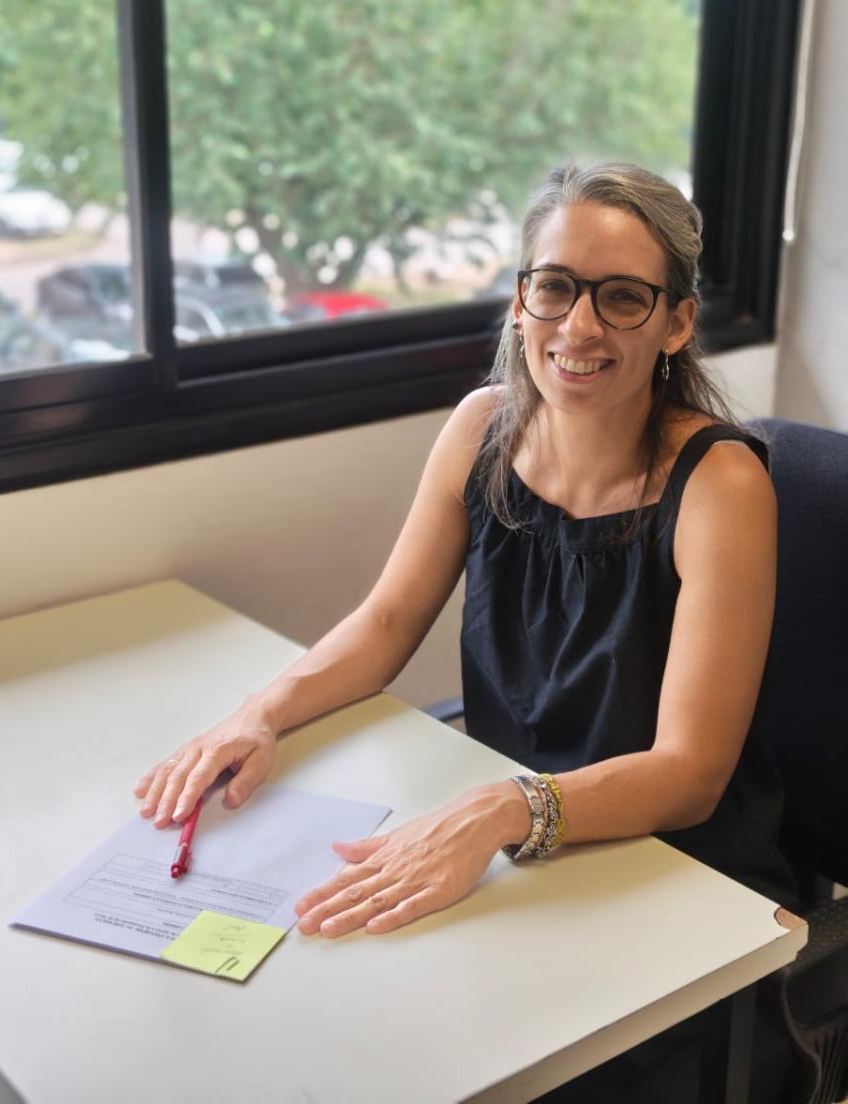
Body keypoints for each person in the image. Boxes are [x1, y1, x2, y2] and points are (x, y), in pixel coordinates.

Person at [135, 162, 798, 1101]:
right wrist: (260, 713)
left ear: (677, 323)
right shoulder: (482, 427)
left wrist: (499, 811)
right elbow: (386, 621)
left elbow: (690, 774)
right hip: (512, 849)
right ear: (522, 301)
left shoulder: (721, 485)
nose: (579, 326)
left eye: (623, 298)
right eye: (555, 287)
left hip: (669, 872)